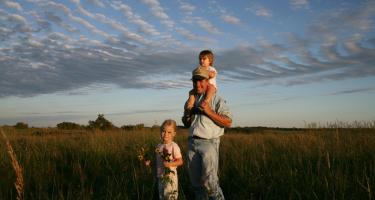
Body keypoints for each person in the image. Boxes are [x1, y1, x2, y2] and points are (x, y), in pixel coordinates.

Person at [182, 67, 232, 200]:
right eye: (195, 81)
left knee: (210, 184)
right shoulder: (191, 99)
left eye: (201, 81)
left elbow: (228, 122)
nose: (197, 84)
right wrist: (187, 112)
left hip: (209, 143)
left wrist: (209, 112)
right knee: (196, 185)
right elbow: (186, 123)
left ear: (207, 81)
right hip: (192, 143)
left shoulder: (216, 99)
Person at [155, 119, 183, 200]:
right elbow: (157, 161)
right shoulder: (159, 146)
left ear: (174, 134)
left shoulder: (174, 146)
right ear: (160, 132)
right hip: (160, 176)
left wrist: (170, 164)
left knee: (170, 196)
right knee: (162, 196)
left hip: (170, 177)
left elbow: (180, 161)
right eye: (163, 131)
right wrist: (149, 162)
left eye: (169, 132)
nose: (166, 134)